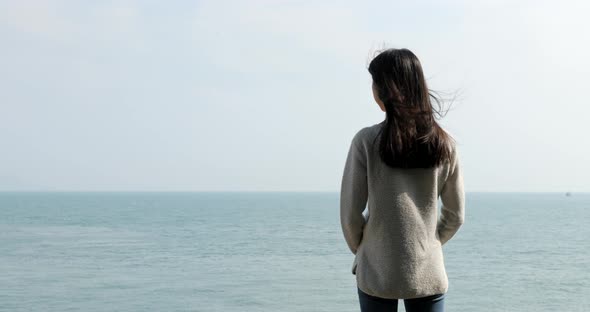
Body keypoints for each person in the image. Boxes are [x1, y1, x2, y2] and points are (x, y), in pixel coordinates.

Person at [340, 48, 465, 312]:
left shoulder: (366, 141)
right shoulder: (446, 145)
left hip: (376, 271)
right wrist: (427, 245)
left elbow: (350, 215)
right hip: (428, 271)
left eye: (375, 83)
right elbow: (455, 215)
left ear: (384, 90)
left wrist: (367, 250)